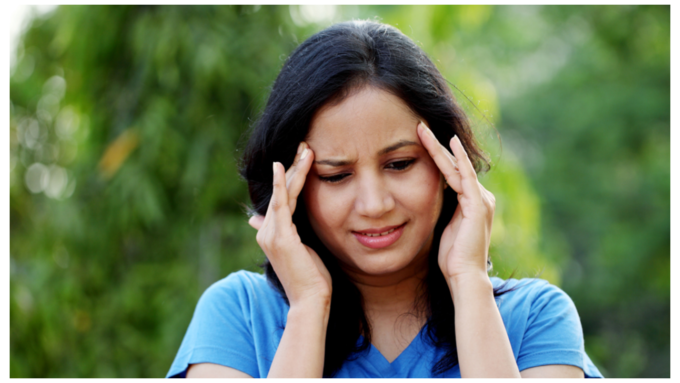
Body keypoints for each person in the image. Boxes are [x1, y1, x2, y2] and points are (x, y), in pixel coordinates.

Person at [166, 20, 603, 378]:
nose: (374, 204)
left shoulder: (535, 319)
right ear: (291, 188)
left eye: (399, 165)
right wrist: (308, 306)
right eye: (336, 175)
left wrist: (468, 281)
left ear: (449, 167)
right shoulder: (239, 316)